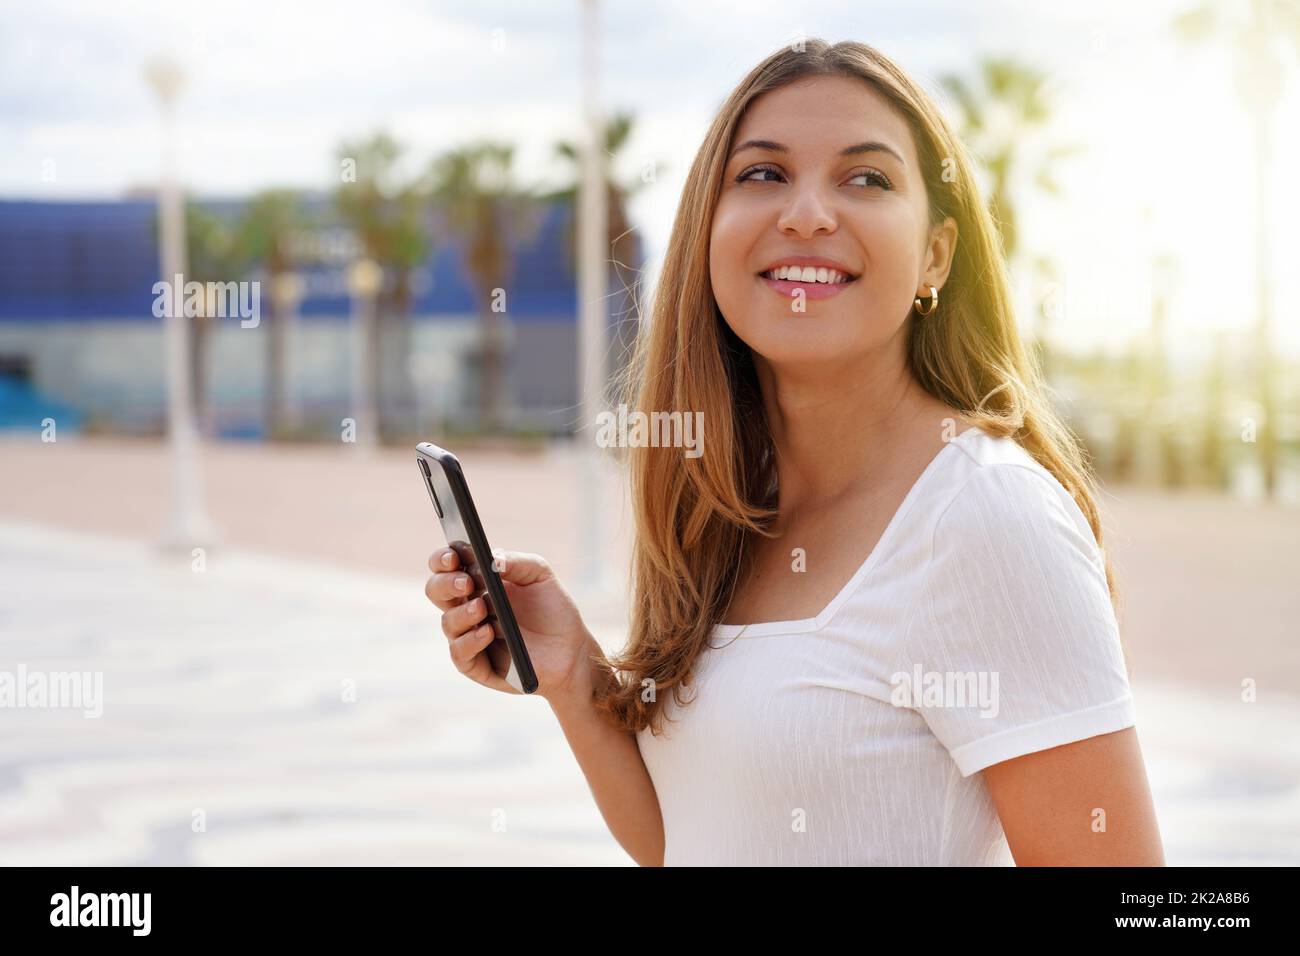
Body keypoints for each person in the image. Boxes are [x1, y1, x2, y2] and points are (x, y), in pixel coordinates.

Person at [424, 39, 1164, 867]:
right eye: (764, 174)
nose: (808, 213)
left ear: (936, 256)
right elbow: (691, 841)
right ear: (707, 233)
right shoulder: (730, 506)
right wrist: (573, 675)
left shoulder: (989, 515)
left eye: (867, 178)